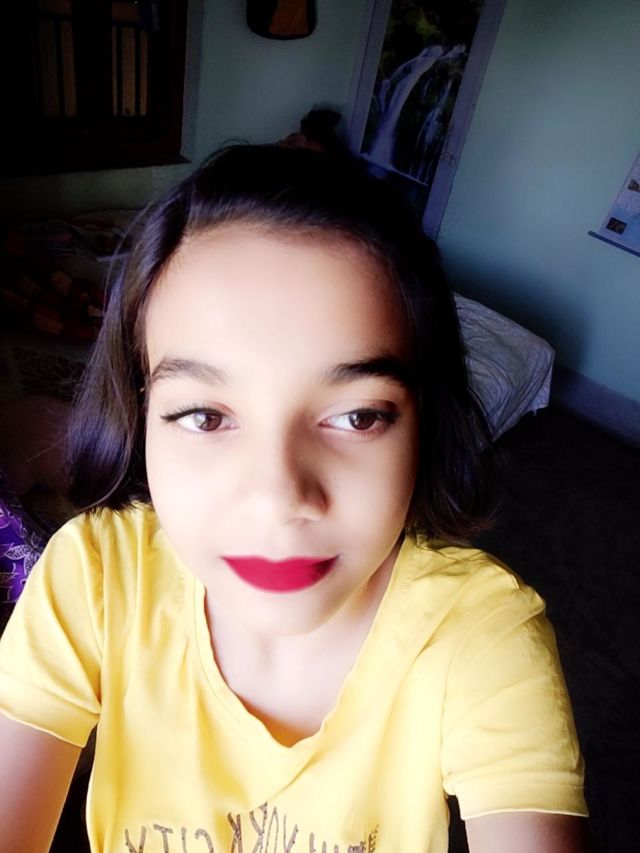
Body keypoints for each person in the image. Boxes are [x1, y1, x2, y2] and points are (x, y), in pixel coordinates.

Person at [0, 145, 588, 852]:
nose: (278, 499)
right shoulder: (95, 577)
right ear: (140, 414)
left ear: (425, 426)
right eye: (205, 416)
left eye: (358, 416)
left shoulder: (478, 635)